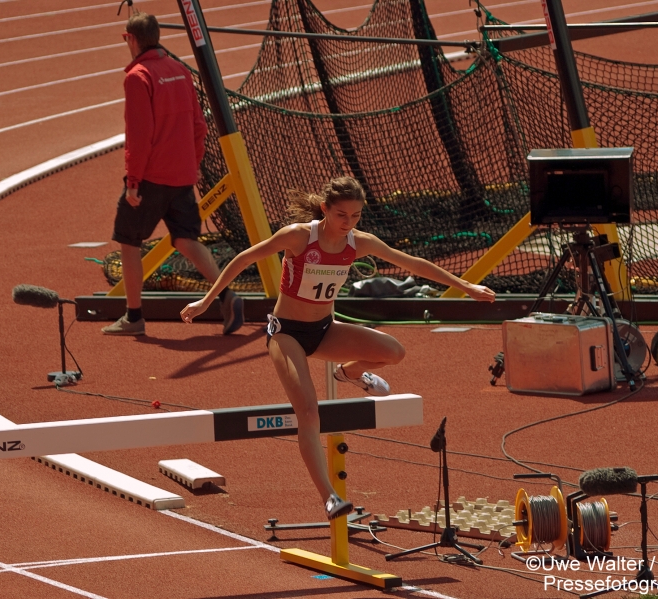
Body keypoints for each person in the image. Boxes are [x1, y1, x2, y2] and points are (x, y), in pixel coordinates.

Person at [180, 177, 496, 519]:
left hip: (324, 331)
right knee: (309, 413)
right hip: (286, 333)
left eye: (356, 216)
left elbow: (414, 264)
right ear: (325, 210)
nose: (348, 223)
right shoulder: (299, 236)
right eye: (342, 215)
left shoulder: (359, 243)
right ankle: (329, 496)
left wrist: (465, 285)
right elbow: (244, 258)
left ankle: (349, 372)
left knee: (394, 352)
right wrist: (206, 300)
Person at [102, 12, 244, 336]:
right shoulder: (180, 71)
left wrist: (133, 182)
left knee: (128, 242)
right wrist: (191, 164)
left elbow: (139, 136)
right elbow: (199, 125)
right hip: (182, 174)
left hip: (152, 176)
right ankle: (226, 295)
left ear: (132, 39)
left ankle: (134, 317)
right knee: (185, 239)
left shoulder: (138, 76)